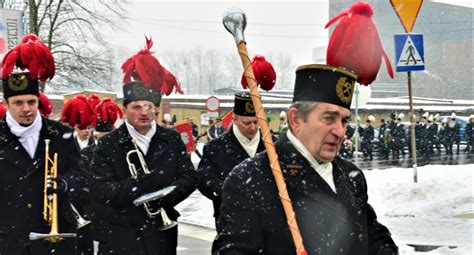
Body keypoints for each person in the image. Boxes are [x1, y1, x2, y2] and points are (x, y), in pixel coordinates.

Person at [213, 64, 398, 254]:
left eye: (344, 120)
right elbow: (231, 251)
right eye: (328, 118)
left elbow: (372, 234)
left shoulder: (351, 175)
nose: (341, 132)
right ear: (296, 120)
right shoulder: (251, 178)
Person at [0, 35, 86, 254]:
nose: (26, 108)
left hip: (55, 237)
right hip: (10, 237)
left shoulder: (61, 133)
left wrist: (65, 183)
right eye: (18, 103)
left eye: (32, 102)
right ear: (7, 104)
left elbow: (82, 173)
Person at [90, 81, 199, 254]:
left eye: (148, 106)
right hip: (121, 233)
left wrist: (167, 197)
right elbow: (99, 189)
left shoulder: (171, 139)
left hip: (161, 233)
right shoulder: (108, 144)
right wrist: (137, 185)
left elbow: (190, 177)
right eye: (137, 107)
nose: (144, 112)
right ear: (124, 110)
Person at [198, 92, 266, 222]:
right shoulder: (215, 148)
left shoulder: (272, 146)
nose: (253, 128)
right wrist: (231, 193)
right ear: (234, 119)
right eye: (246, 123)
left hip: (267, 221)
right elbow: (204, 179)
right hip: (230, 219)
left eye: (256, 122)